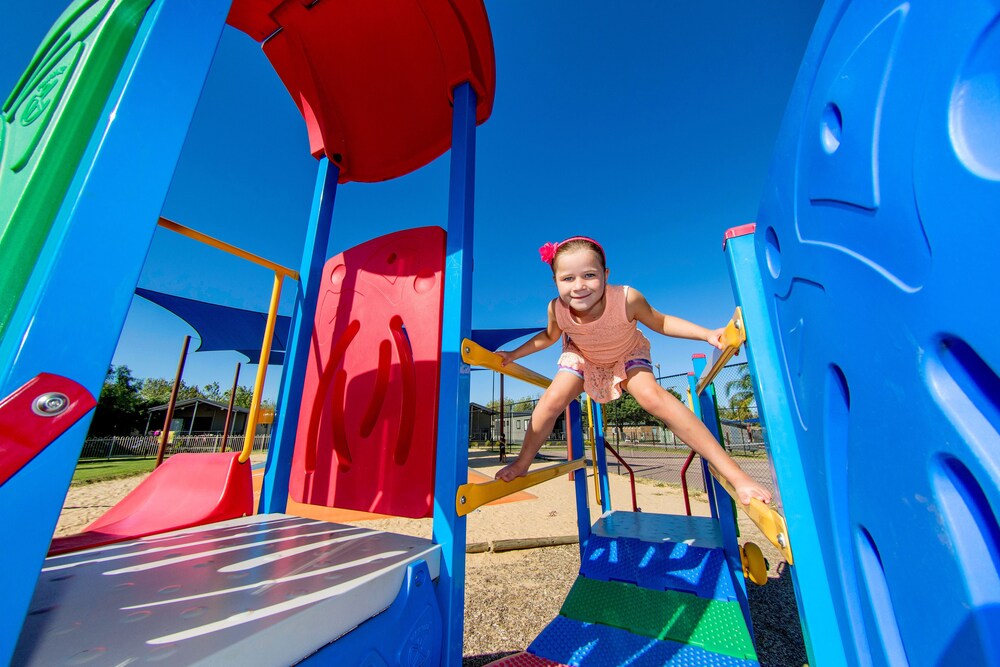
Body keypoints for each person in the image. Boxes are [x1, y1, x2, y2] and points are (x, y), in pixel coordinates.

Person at [494, 236, 771, 506]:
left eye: (589, 275)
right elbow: (548, 337)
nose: (578, 286)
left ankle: (735, 473)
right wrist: (513, 354)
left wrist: (706, 334)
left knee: (651, 397)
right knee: (550, 401)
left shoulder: (626, 298)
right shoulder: (557, 308)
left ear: (605, 274)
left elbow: (661, 322)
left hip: (626, 353)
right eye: (567, 279)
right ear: (555, 281)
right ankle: (523, 462)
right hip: (583, 356)